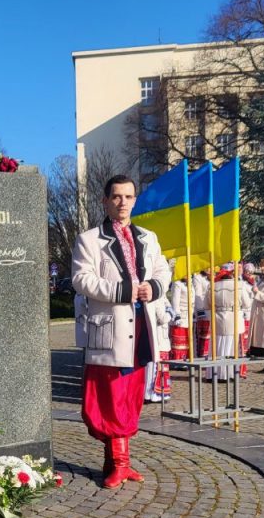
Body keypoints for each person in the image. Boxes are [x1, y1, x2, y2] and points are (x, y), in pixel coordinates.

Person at [72, 175, 172, 488]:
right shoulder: (89, 239)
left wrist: (154, 287)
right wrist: (123, 291)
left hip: (142, 326)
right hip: (110, 327)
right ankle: (119, 463)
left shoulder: (148, 237)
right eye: (116, 196)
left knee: (130, 396)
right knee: (110, 396)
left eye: (128, 196)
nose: (123, 202)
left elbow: (163, 270)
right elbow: (81, 279)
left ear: (135, 200)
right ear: (105, 201)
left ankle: (117, 462)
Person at [207, 263, 248, 379]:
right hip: (233, 318)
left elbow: (206, 304)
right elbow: (247, 303)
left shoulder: (212, 285)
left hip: (217, 318)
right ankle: (229, 374)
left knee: (217, 347)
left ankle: (214, 374)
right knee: (231, 347)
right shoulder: (239, 285)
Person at [144, 294, 173, 403]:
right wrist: (171, 313)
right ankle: (151, 394)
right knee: (155, 368)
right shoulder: (157, 296)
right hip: (158, 335)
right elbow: (162, 318)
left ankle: (153, 393)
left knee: (156, 368)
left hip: (160, 335)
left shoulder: (162, 295)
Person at [168, 278, 191, 361]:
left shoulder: (190, 283)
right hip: (180, 317)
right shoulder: (177, 283)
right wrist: (177, 315)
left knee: (187, 342)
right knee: (179, 343)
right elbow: (175, 301)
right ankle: (177, 361)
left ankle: (186, 360)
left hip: (189, 316)